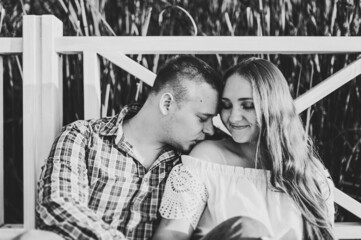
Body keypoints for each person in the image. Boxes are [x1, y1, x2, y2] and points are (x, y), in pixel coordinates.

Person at [36, 55, 223, 240]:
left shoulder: (193, 162)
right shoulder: (84, 136)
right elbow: (58, 203)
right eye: (202, 118)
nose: (209, 130)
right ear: (167, 104)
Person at [152, 57, 335, 240]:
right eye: (226, 106)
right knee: (247, 229)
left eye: (247, 106)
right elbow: (172, 233)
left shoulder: (309, 173)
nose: (233, 118)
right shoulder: (207, 159)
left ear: (273, 107)